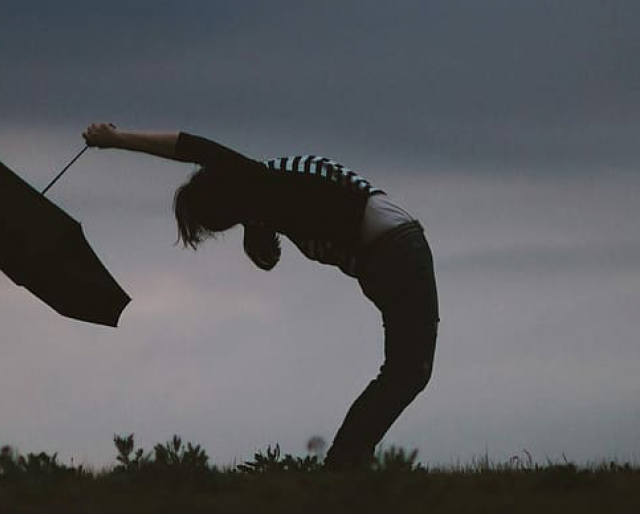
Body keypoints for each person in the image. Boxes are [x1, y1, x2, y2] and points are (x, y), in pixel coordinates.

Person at [82, 123, 439, 470]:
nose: (217, 229)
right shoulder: (262, 200)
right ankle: (345, 464)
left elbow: (186, 145)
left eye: (213, 223)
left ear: (223, 200)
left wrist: (116, 139)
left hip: (395, 251)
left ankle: (343, 464)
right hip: (390, 254)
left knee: (406, 372)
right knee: (406, 372)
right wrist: (257, 234)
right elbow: (269, 255)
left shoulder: (252, 179)